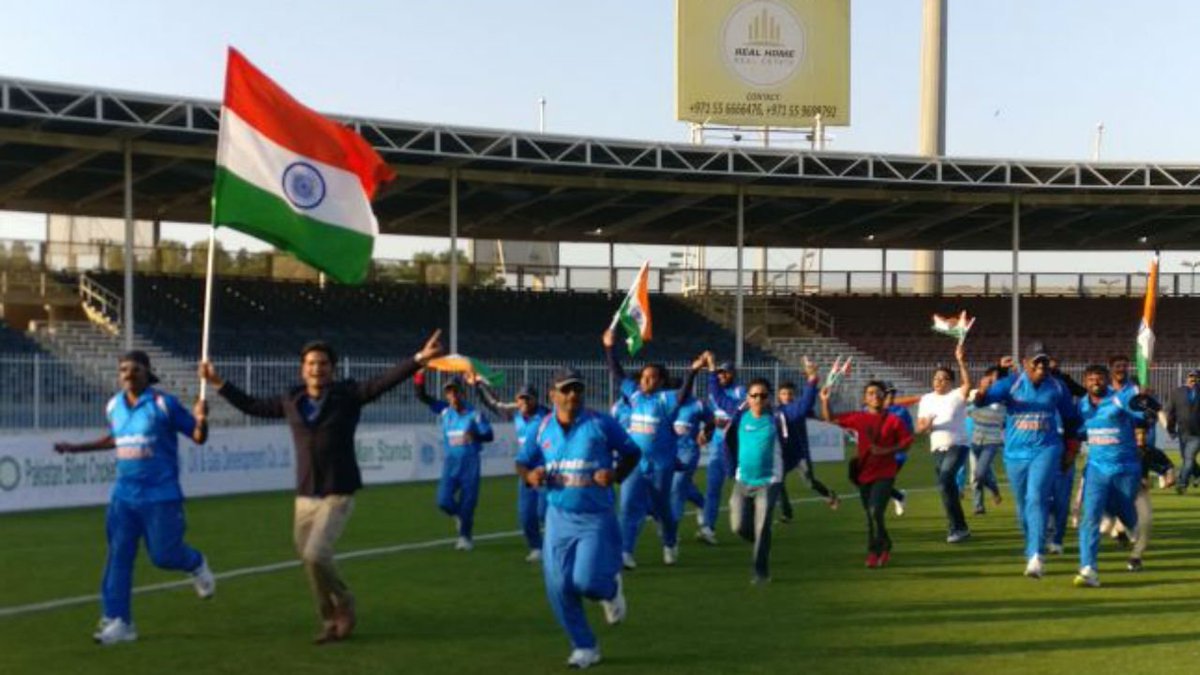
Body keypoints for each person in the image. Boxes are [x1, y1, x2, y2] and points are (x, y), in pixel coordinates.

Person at [199, 332, 443, 643]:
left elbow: (384, 381)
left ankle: (341, 607)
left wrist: (419, 359)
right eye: (312, 363)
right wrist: (218, 382)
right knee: (311, 561)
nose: (317, 368)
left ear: (333, 368)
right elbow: (253, 406)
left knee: (316, 555)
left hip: (337, 491)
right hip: (305, 495)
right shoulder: (292, 399)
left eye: (323, 363)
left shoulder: (348, 395)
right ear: (303, 368)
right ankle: (332, 615)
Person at [55, 351, 214, 645]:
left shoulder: (163, 404)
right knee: (118, 556)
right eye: (124, 369)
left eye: (135, 369)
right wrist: (77, 448)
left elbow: (198, 435)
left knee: (164, 556)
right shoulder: (114, 405)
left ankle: (194, 562)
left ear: (147, 373)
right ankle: (119, 621)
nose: (128, 374)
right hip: (124, 497)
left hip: (161, 495)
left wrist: (202, 418)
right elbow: (117, 438)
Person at [516, 366, 642, 670]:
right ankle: (585, 646)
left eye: (578, 389)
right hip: (558, 517)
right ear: (553, 394)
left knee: (585, 581)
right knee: (558, 587)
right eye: (566, 389)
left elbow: (632, 453)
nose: (573, 394)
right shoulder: (542, 427)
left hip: (595, 516)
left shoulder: (601, 424)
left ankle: (610, 590)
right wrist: (531, 476)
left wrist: (614, 474)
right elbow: (522, 463)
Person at [975, 341, 1080, 578]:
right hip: (1014, 454)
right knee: (1023, 506)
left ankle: (1036, 555)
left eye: (1044, 360)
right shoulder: (1011, 384)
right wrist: (981, 391)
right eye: (1036, 361)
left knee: (1036, 497)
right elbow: (982, 401)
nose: (1041, 365)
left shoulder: (1057, 386)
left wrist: (1071, 449)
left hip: (1046, 449)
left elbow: (1071, 419)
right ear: (1025, 364)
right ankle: (1031, 546)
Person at [601, 328, 703, 568]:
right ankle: (626, 552)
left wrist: (692, 372)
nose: (645, 380)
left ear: (660, 381)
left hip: (661, 466)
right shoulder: (635, 396)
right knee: (627, 507)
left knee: (662, 509)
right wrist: (608, 347)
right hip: (634, 464)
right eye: (644, 376)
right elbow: (617, 373)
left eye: (651, 377)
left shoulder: (665, 400)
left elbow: (682, 395)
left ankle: (669, 542)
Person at [1073, 364, 1151, 587]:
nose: (1095, 382)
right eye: (1091, 379)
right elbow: (1079, 431)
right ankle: (1088, 568)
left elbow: (1141, 417)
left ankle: (1135, 534)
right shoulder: (1082, 407)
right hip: (1097, 469)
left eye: (1099, 379)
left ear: (1106, 381)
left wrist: (1144, 406)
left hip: (1125, 469)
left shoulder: (1120, 399)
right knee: (1091, 517)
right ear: (1086, 382)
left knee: (1126, 514)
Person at [821, 381, 913, 568]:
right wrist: (824, 400)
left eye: (879, 393)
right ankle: (885, 544)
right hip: (864, 473)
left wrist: (886, 450)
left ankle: (873, 551)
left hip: (886, 473)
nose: (875, 396)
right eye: (870, 393)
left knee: (874, 511)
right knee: (871, 515)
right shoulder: (859, 418)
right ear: (865, 398)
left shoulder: (893, 420)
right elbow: (830, 419)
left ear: (884, 396)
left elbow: (907, 442)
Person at [473, 376, 551, 562]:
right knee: (525, 515)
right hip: (525, 471)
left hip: (545, 471)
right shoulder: (516, 416)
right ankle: (536, 548)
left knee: (543, 512)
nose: (523, 402)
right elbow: (492, 404)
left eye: (527, 398)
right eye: (520, 398)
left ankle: (557, 544)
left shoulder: (547, 416)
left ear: (535, 399)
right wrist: (477, 385)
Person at [719, 378, 789, 583]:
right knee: (738, 526)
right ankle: (760, 540)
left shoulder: (776, 418)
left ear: (769, 398)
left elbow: (799, 411)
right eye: (754, 395)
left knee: (762, 526)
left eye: (763, 395)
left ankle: (760, 572)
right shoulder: (739, 416)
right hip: (743, 480)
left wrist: (812, 383)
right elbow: (719, 398)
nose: (758, 399)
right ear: (747, 398)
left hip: (769, 481)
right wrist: (712, 371)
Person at [415, 372, 495, 551]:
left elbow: (489, 435)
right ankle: (459, 516)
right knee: (443, 500)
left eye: (455, 391)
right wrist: (419, 375)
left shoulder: (474, 415)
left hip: (470, 464)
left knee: (468, 503)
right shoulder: (445, 411)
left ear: (462, 393)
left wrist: (475, 435)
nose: (452, 396)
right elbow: (422, 397)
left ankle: (465, 538)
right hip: (451, 463)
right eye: (448, 392)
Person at [916, 343, 973, 543]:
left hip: (958, 445)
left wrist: (961, 361)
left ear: (951, 382)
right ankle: (961, 527)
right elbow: (920, 427)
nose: (939, 381)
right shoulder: (926, 399)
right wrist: (927, 426)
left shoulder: (956, 395)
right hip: (937, 448)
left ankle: (955, 528)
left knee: (945, 479)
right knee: (946, 488)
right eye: (936, 378)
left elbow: (968, 385)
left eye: (943, 378)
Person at [776, 362, 840, 520]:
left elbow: (815, 415)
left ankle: (829, 495)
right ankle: (787, 513)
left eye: (790, 393)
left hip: (801, 453)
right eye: (784, 394)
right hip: (784, 454)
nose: (787, 396)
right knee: (777, 482)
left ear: (794, 395)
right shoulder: (776, 412)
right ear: (779, 395)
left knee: (810, 482)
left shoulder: (799, 407)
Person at [698, 359, 747, 545]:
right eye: (719, 373)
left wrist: (728, 423)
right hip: (718, 448)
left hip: (737, 448)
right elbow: (713, 418)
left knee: (745, 489)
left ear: (733, 373)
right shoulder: (713, 394)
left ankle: (751, 522)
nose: (721, 376)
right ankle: (708, 528)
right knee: (712, 489)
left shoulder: (740, 391)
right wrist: (706, 431)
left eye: (725, 372)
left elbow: (741, 414)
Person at [669, 392, 712, 527]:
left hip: (688, 451)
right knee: (676, 485)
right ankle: (701, 502)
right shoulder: (665, 402)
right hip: (668, 450)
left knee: (677, 485)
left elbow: (711, 420)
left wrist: (705, 432)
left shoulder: (697, 404)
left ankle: (672, 528)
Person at [966, 368, 1005, 516]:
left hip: (992, 441)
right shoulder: (977, 399)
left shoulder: (1001, 400)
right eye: (987, 380)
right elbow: (968, 409)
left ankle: (993, 492)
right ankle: (981, 503)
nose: (989, 383)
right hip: (975, 440)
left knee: (979, 474)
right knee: (982, 473)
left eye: (991, 381)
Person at [1165, 368, 1200, 494]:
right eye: (1191, 376)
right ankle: (1197, 474)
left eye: (1196, 377)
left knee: (1189, 458)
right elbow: (1171, 413)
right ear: (1186, 378)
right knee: (1186, 458)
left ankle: (1182, 484)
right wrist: (1170, 429)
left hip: (1197, 434)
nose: (1193, 379)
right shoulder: (1177, 392)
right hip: (1182, 432)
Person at [885, 384, 917, 516]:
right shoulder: (873, 410)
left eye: (892, 393)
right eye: (887, 393)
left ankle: (898, 497)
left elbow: (910, 433)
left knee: (882, 482)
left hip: (897, 455)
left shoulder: (902, 412)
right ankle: (899, 496)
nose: (890, 396)